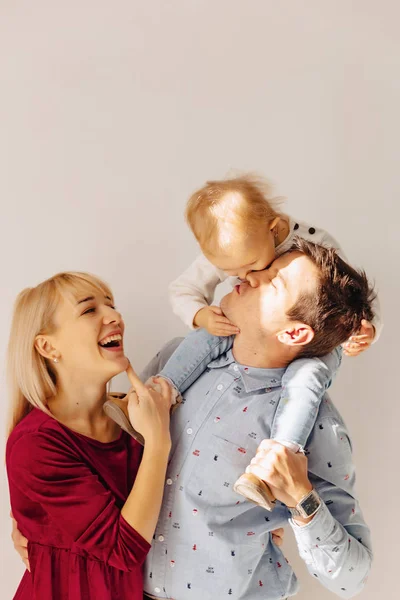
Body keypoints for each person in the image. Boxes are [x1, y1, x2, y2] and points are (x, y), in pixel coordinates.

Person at [11, 241, 375, 599]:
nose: (249, 273)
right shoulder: (175, 364)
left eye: (272, 280)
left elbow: (351, 578)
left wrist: (301, 499)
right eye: (261, 268)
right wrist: (39, 526)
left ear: (294, 332)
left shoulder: (313, 423)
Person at [164, 174, 381, 505]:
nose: (246, 278)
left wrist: (366, 328)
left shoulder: (317, 243)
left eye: (252, 267)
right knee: (208, 331)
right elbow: (183, 290)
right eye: (233, 273)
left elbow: (351, 294)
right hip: (263, 335)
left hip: (317, 342)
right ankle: (161, 392)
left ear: (275, 229)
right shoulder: (233, 248)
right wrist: (201, 315)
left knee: (306, 378)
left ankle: (278, 458)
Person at [5, 272, 173, 600]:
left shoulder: (138, 417)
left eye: (111, 305)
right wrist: (158, 441)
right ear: (48, 346)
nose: (115, 317)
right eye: (88, 310)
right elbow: (124, 550)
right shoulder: (36, 443)